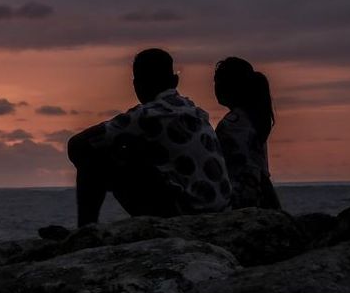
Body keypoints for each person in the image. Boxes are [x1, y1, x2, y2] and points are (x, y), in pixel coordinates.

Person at [67, 48, 232, 226]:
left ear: (137, 85)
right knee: (131, 148)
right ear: (175, 81)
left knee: (96, 157)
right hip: (220, 209)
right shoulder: (196, 112)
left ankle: (86, 228)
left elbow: (77, 144)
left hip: (185, 212)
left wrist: (106, 166)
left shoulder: (148, 115)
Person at [214, 56, 281, 209]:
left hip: (239, 199)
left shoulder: (231, 124)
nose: (215, 87)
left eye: (218, 81)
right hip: (259, 196)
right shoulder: (253, 119)